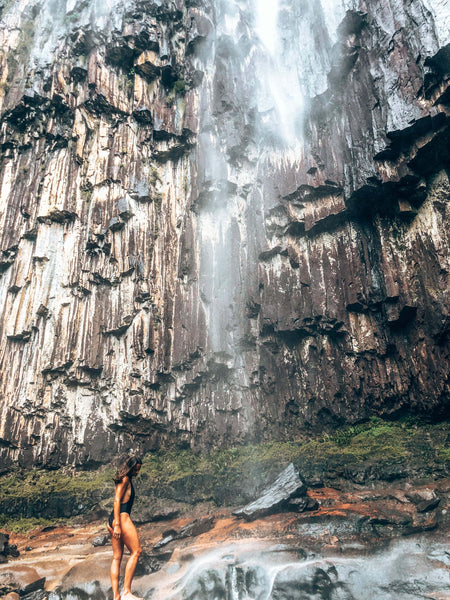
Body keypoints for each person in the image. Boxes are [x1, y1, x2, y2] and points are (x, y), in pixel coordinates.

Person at [107, 455, 143, 600]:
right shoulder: (125, 479)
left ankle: (116, 597)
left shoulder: (124, 479)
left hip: (115, 518)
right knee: (136, 551)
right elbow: (116, 501)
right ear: (131, 467)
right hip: (121, 517)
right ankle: (126, 592)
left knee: (117, 558)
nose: (137, 472)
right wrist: (117, 524)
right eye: (136, 469)